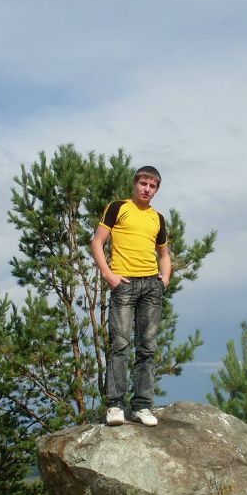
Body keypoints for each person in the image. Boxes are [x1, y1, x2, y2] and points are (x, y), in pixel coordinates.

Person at [90, 165, 171, 427]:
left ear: (156, 189)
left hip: (151, 287)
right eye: (143, 184)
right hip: (123, 284)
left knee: (147, 348)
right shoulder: (118, 208)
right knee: (120, 345)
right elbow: (97, 242)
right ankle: (115, 406)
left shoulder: (158, 218)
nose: (147, 189)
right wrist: (108, 275)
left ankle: (142, 406)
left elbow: (164, 253)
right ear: (135, 184)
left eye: (152, 186)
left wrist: (164, 278)